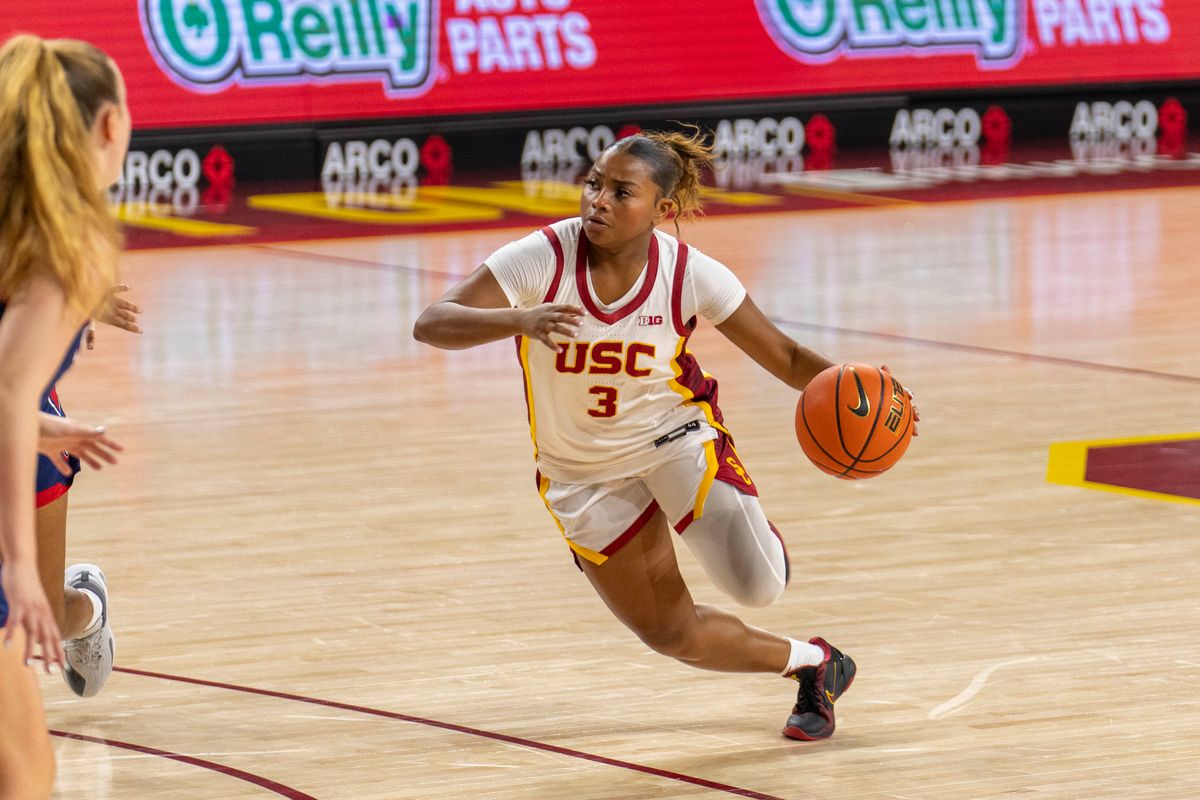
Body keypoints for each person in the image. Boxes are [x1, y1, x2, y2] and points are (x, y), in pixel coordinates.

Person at [414, 129, 900, 741]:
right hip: (581, 474)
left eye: (622, 192)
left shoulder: (690, 273)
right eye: (594, 183)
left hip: (674, 439)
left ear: (662, 209)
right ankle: (817, 665)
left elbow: (784, 355)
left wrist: (869, 394)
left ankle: (749, 527)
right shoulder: (544, 256)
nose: (598, 200)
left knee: (758, 585)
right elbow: (432, 322)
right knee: (670, 634)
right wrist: (520, 318)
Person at [0, 34, 131, 799]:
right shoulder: (70, 248)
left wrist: (45, 428)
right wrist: (16, 567)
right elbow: (8, 392)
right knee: (25, 771)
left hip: (25, 432)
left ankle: (80, 606)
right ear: (109, 125)